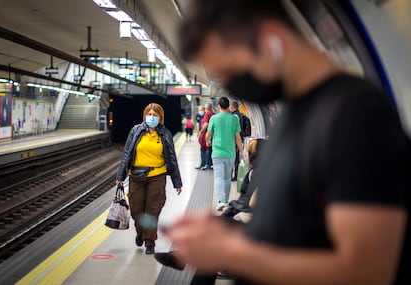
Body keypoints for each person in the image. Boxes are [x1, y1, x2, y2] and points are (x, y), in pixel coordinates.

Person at [166, 0, 411, 284]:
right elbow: (295, 232)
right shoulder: (292, 117)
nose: (232, 85)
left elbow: (367, 271)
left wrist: (233, 252)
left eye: (232, 71)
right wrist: (226, 235)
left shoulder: (358, 115)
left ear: (272, 39)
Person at [154, 139, 263, 283]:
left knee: (212, 229)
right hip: (247, 218)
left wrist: (232, 210)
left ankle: (181, 257)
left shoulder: (264, 174)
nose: (248, 155)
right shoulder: (257, 172)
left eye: (250, 152)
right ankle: (182, 257)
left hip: (253, 222)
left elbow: (251, 202)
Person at [116, 103, 182, 255]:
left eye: (155, 115)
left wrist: (176, 181)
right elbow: (127, 153)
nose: (151, 117)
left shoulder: (165, 134)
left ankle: (150, 241)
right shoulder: (136, 131)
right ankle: (140, 232)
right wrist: (121, 176)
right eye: (149, 114)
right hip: (136, 176)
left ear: (160, 118)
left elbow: (172, 158)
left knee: (153, 210)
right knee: (137, 210)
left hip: (157, 176)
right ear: (145, 115)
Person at [206, 97, 244, 211]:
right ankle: (225, 201)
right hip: (230, 153)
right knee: (227, 178)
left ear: (218, 106)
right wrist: (241, 151)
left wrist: (208, 141)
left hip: (217, 153)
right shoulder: (234, 119)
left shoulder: (214, 118)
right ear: (228, 106)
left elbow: (209, 134)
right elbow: (238, 137)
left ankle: (221, 201)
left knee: (219, 177)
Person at [196, 103, 214, 170]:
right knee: (209, 149)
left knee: (204, 149)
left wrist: (201, 132)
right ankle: (208, 164)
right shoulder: (213, 113)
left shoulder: (207, 114)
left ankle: (204, 164)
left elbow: (206, 124)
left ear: (205, 108)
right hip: (211, 134)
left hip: (206, 134)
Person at [229, 101, 244, 181]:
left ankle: (233, 175)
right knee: (236, 158)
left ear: (232, 107)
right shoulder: (239, 114)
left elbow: (234, 130)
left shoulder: (234, 116)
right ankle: (236, 175)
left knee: (233, 158)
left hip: (235, 140)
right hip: (239, 139)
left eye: (230, 107)